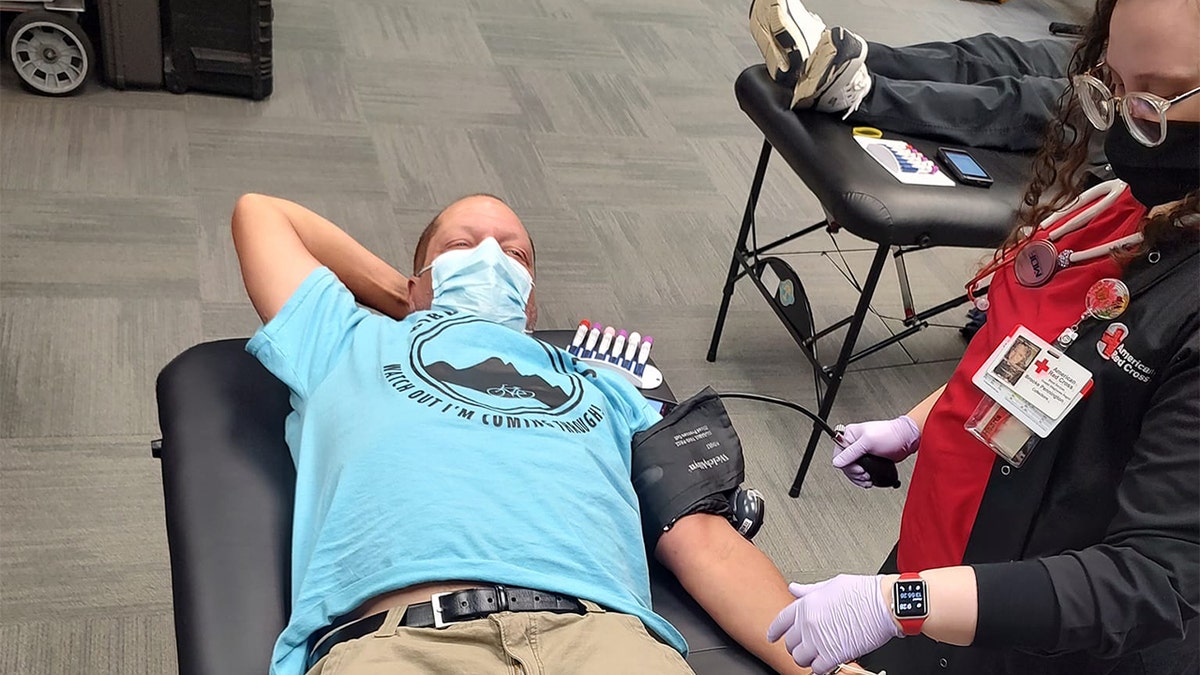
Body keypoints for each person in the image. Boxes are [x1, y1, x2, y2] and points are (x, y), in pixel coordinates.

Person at [763, 0, 1200, 673]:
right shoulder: (1133, 204)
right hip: (955, 564)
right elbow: (1048, 354)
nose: (1125, 117)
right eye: (1113, 85)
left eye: (1159, 98)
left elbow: (1147, 580)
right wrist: (919, 421)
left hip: (1045, 630)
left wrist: (900, 602)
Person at [230, 192, 812, 675]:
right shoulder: (346, 339)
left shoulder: (608, 389)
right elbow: (261, 214)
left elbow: (704, 543)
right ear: (416, 281)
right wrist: (408, 306)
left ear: (530, 304)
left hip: (605, 644)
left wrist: (830, 666)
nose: (491, 259)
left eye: (516, 256)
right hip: (406, 645)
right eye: (461, 246)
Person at [750, 0, 1075, 150]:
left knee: (1042, 102)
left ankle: (860, 96)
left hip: (1121, 117)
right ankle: (835, 52)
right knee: (986, 54)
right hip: (1105, 56)